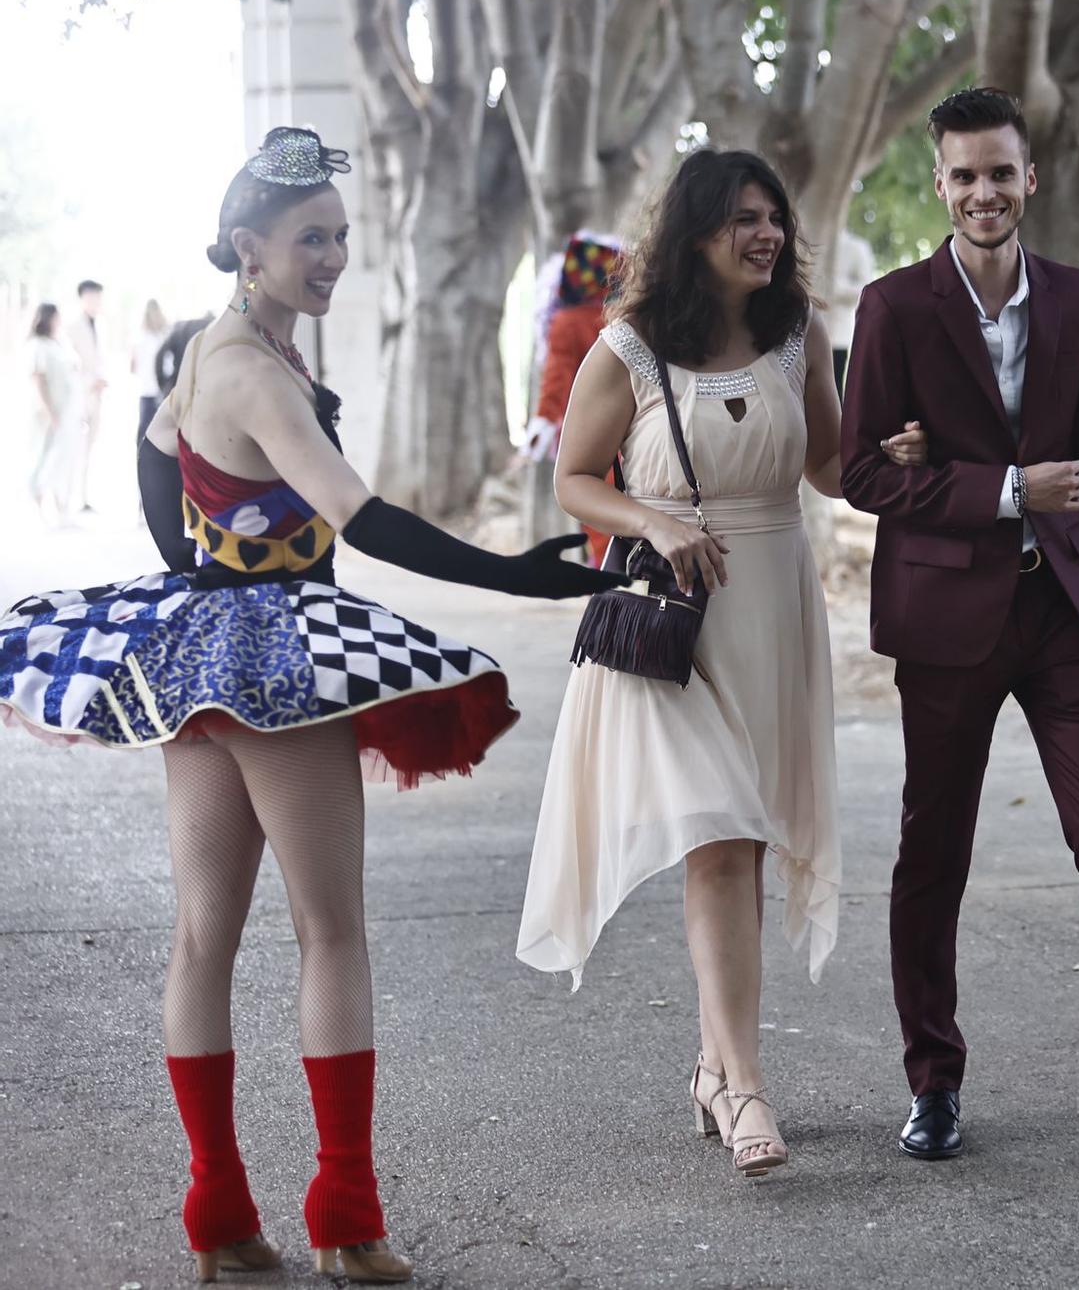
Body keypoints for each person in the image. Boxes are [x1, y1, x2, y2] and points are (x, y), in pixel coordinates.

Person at [0, 128, 620, 1283]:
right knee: (325, 928)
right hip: (275, 676)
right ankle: (344, 1213)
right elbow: (357, 514)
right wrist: (517, 574)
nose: (333, 255)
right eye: (309, 239)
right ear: (248, 246)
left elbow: (152, 459)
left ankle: (221, 1216)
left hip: (204, 663)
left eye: (340, 235)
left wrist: (202, 584)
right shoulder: (248, 365)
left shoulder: (212, 350)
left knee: (205, 935)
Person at [839, 87, 1079, 1166]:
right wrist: (1004, 488)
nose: (982, 193)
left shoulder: (1074, 297)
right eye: (962, 175)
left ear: (1029, 177)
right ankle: (933, 1085)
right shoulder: (893, 308)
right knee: (934, 853)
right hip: (945, 619)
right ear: (938, 184)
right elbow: (860, 473)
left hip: (1066, 613)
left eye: (999, 173)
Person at [516, 150, 928, 1178]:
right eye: (743, 217)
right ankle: (746, 1088)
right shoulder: (629, 348)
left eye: (774, 217)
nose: (766, 234)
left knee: (739, 833)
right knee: (720, 838)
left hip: (772, 608)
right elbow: (573, 480)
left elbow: (830, 470)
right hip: (671, 624)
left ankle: (709, 1065)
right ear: (694, 230)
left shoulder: (799, 337)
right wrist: (651, 520)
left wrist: (898, 457)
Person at [520, 230, 622, 564]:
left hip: (587, 432)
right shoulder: (623, 318)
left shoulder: (565, 322)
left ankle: (607, 579)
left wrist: (543, 422)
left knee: (595, 505)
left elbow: (557, 378)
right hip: (632, 427)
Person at [25, 302, 86, 525]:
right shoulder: (37, 346)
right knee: (43, 458)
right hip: (48, 413)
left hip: (66, 411)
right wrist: (49, 412)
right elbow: (38, 380)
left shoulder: (57, 344)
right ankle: (39, 506)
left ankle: (61, 507)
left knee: (63, 460)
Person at [68, 278, 108, 508]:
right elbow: (70, 365)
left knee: (90, 448)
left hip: (98, 395)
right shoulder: (72, 326)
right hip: (80, 396)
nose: (95, 301)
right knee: (75, 447)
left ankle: (83, 497)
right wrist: (88, 382)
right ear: (82, 298)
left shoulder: (101, 324)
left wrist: (102, 380)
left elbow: (102, 359)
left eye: (97, 296)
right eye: (91, 296)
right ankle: (71, 498)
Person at [822, 227, 875, 399]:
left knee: (835, 384)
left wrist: (835, 287)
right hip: (805, 327)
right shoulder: (811, 241)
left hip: (837, 330)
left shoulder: (856, 247)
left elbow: (866, 287)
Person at [132, 298, 172, 445]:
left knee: (144, 433)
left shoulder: (140, 338)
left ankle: (141, 463)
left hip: (147, 391)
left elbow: (133, 367)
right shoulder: (165, 336)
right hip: (162, 392)